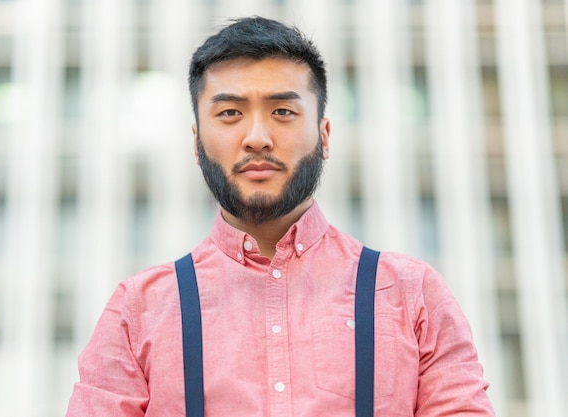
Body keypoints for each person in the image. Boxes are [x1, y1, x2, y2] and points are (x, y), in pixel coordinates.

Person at [65, 16, 495, 416]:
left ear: (324, 135)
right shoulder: (139, 308)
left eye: (283, 112)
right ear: (196, 142)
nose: (257, 138)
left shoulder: (412, 294)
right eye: (230, 113)